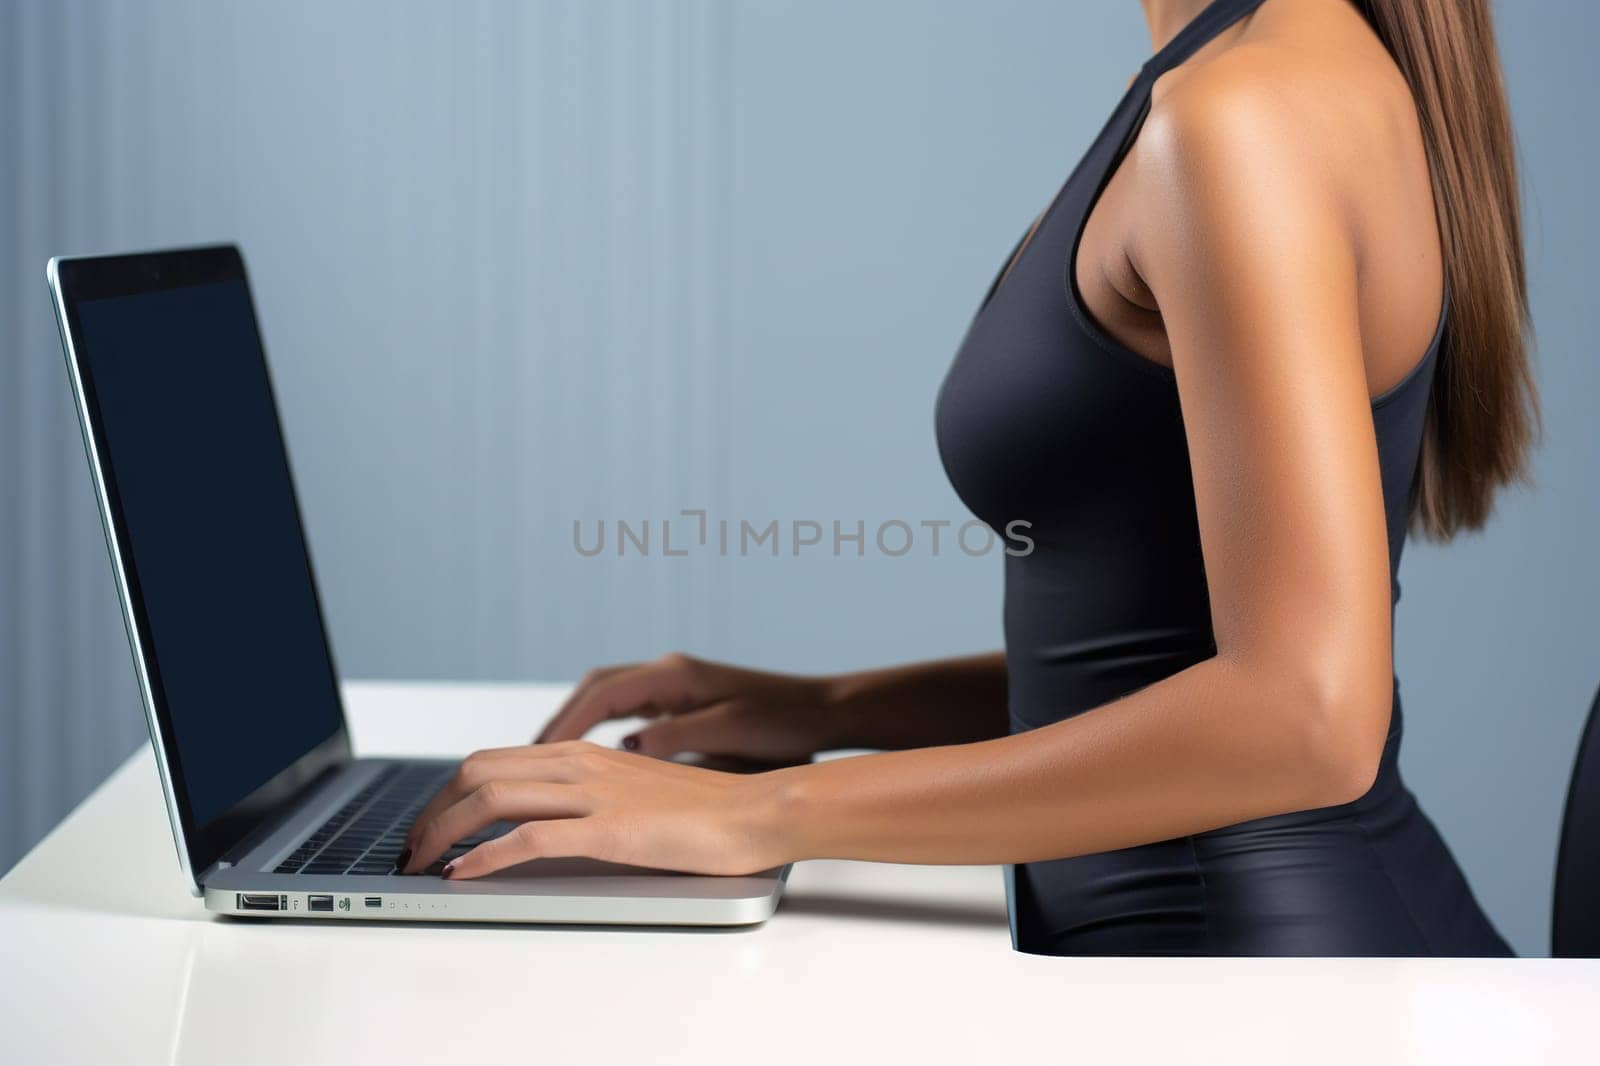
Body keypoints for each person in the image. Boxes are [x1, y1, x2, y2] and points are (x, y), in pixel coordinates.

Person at [399, 0, 1536, 956]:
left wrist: (760, 812)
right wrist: (828, 709)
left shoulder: (1244, 115)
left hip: (1243, 987)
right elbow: (1142, 653)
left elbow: (1304, 717)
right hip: (1196, 950)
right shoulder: (1232, 72)